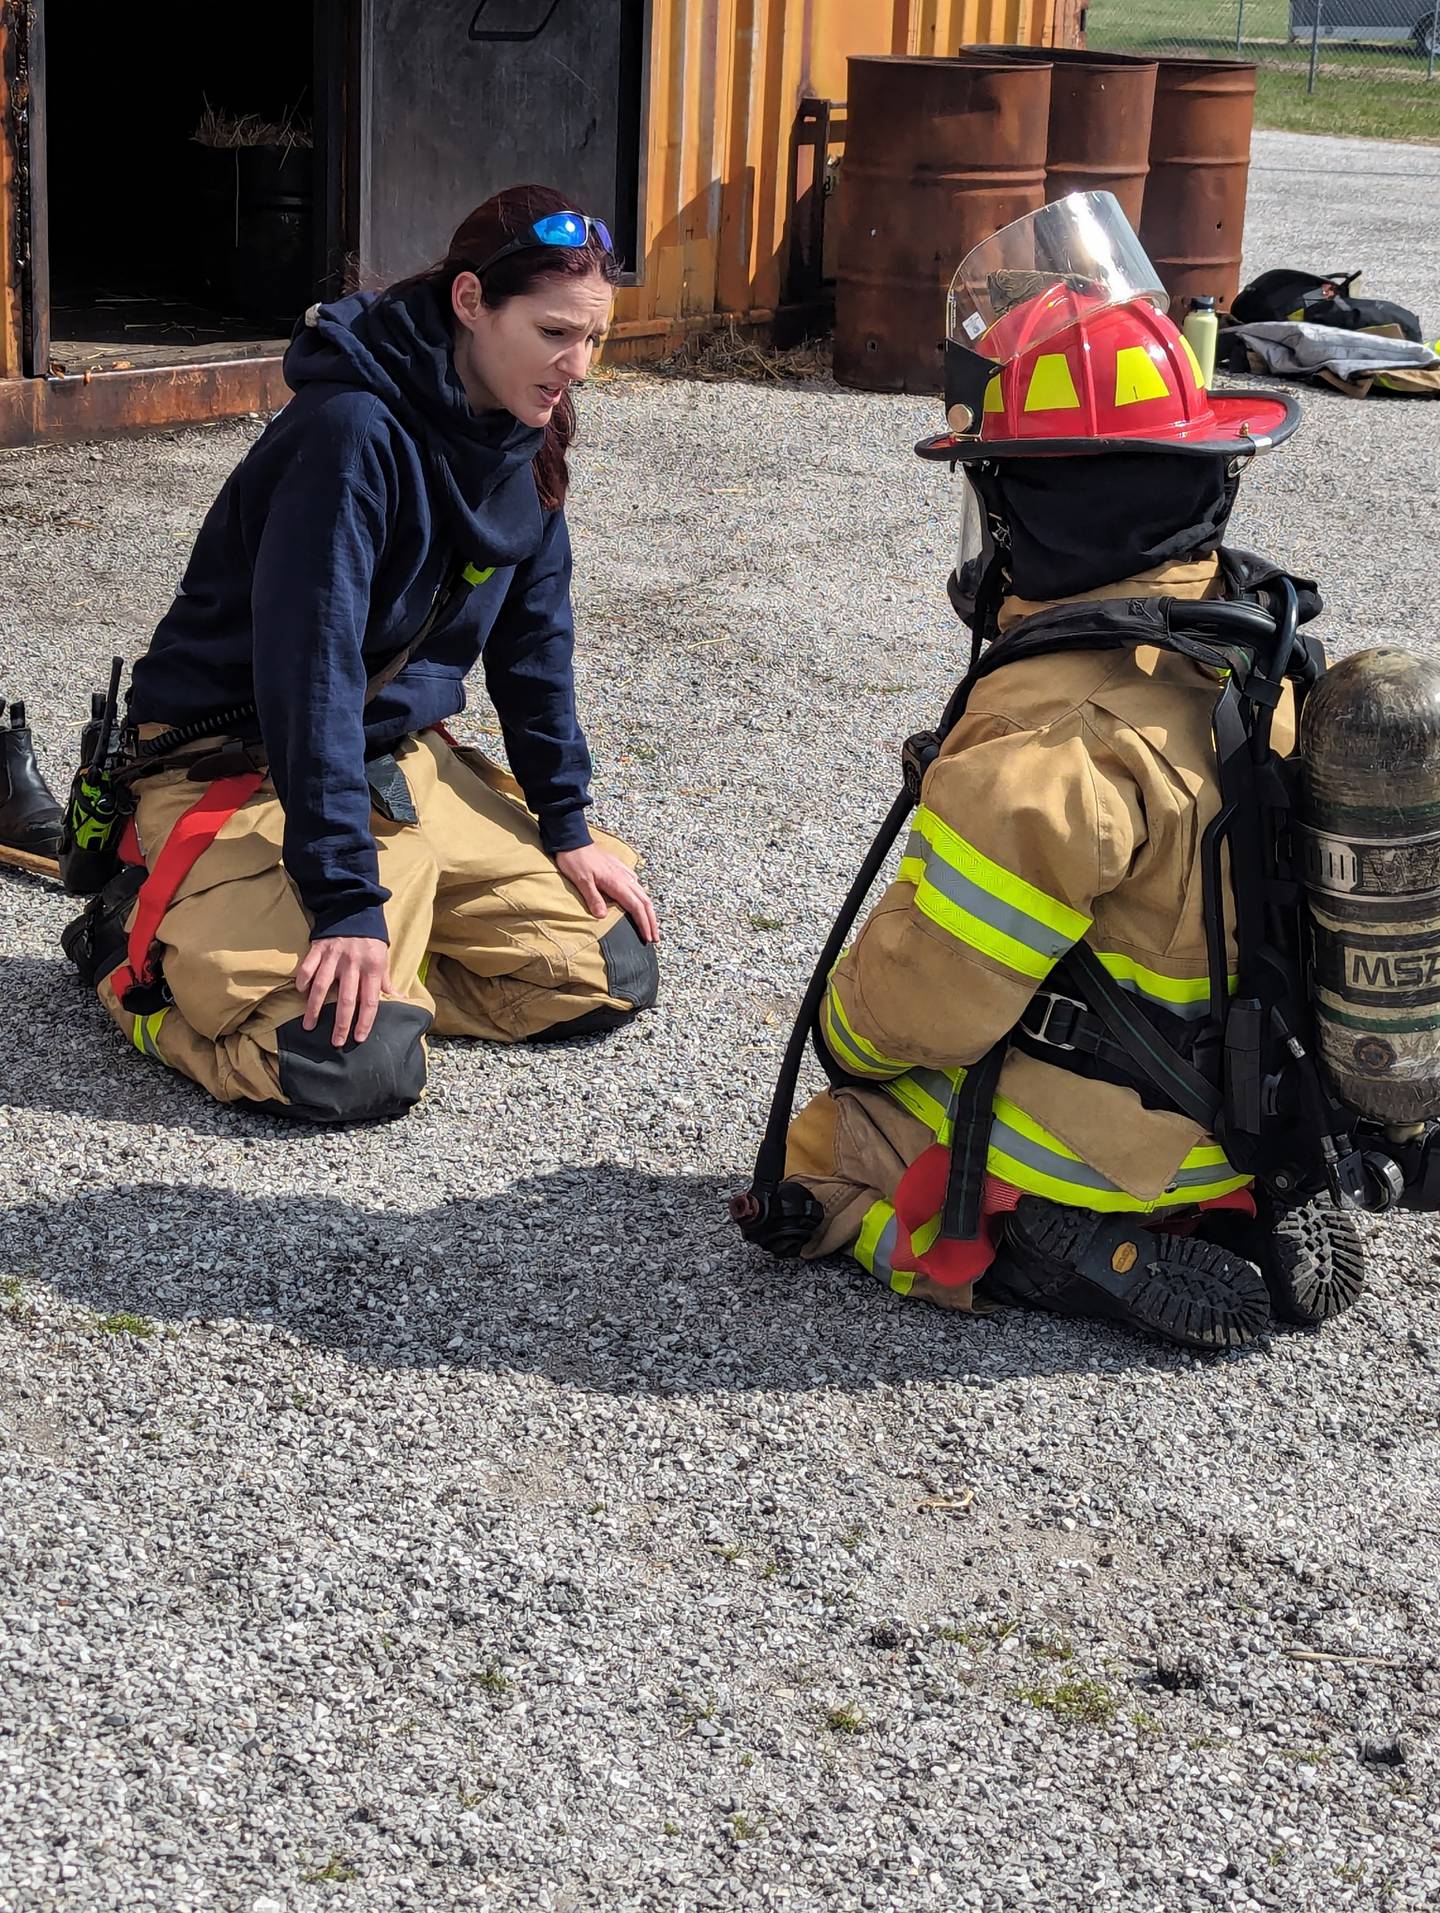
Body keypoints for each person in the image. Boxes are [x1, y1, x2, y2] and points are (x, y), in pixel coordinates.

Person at [738, 195, 1369, 1351]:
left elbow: (925, 1004)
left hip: (1118, 1133)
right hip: (1266, 1107)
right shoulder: (1265, 665)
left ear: (1021, 502)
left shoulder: (1051, 741)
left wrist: (846, 1029)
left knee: (819, 1154)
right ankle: (1248, 1201)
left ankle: (1033, 1245)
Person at [60, 184, 658, 1122]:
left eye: (594, 339)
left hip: (387, 760)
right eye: (554, 333)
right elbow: (311, 679)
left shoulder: (525, 433)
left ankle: (375, 969)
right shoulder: (348, 436)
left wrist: (568, 821)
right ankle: (125, 944)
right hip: (247, 759)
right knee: (350, 1070)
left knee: (606, 969)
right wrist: (345, 899)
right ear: (470, 302)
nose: (577, 366)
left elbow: (537, 647)